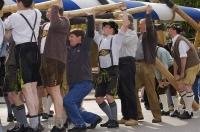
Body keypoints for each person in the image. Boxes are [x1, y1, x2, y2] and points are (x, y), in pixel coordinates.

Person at [4, 0, 42, 131]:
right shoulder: (37, 13)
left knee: (27, 89)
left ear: (19, 2)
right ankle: (36, 124)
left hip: (22, 51)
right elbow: (31, 8)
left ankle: (32, 125)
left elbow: (5, 28)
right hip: (35, 49)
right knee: (33, 88)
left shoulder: (14, 17)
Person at [63, 15, 102, 132]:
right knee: (73, 107)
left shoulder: (85, 47)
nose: (70, 39)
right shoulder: (69, 48)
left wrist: (90, 18)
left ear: (80, 38)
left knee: (68, 101)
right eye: (69, 37)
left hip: (84, 83)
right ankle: (93, 118)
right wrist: (66, 20)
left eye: (72, 37)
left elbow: (90, 33)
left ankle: (80, 125)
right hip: (73, 84)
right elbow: (63, 33)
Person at [94, 9, 129, 128]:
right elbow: (93, 27)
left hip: (112, 70)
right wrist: (94, 14)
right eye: (104, 26)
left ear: (113, 29)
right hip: (102, 71)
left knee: (109, 97)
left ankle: (114, 121)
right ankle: (111, 119)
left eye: (107, 26)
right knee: (99, 98)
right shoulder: (99, 39)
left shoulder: (116, 39)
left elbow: (126, 24)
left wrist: (124, 11)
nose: (104, 28)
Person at [38, 5, 69, 132]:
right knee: (50, 90)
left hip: (55, 59)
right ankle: (63, 120)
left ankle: (59, 124)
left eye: (51, 11)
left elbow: (55, 23)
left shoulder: (63, 21)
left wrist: (55, 6)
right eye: (48, 11)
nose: (48, 13)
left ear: (58, 13)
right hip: (44, 59)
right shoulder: (45, 25)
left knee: (55, 91)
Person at [135, 5, 162, 123]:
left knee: (151, 91)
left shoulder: (151, 34)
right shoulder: (139, 35)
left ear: (145, 24)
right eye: (140, 24)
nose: (139, 25)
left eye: (141, 24)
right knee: (132, 89)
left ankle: (157, 116)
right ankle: (138, 114)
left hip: (147, 65)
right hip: (137, 65)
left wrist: (148, 14)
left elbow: (150, 27)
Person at [167, 23, 200, 119]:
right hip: (186, 65)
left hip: (192, 65)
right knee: (180, 86)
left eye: (170, 28)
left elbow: (183, 58)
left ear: (174, 30)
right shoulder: (175, 41)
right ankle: (180, 109)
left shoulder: (180, 41)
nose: (168, 30)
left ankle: (189, 111)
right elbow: (176, 59)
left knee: (187, 86)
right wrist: (175, 74)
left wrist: (181, 73)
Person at [117, 14, 138, 126]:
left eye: (122, 20)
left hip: (128, 62)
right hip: (120, 62)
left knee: (129, 90)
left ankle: (133, 117)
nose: (120, 22)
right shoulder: (120, 32)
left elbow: (122, 42)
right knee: (121, 91)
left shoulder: (132, 34)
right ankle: (126, 116)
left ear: (128, 22)